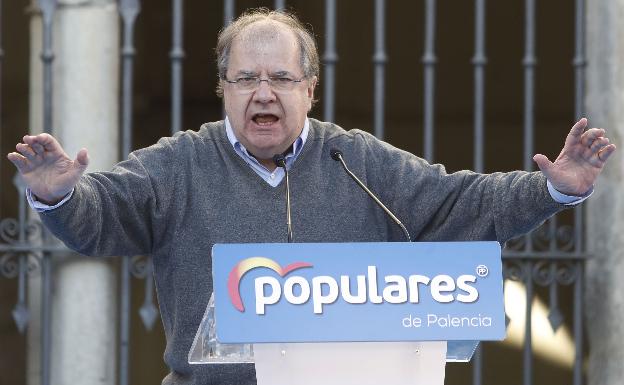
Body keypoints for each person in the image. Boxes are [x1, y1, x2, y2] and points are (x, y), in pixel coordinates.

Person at [6, 8, 616, 385]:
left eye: (280, 78)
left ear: (311, 90)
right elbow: (106, 213)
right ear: (223, 89)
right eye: (245, 78)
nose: (262, 92)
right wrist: (64, 198)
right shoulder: (180, 164)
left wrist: (551, 188)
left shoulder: (356, 159)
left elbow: (459, 203)